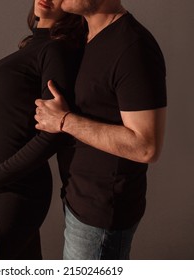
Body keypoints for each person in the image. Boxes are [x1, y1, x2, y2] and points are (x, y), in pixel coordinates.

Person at [35, 0, 167, 259]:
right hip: (78, 200)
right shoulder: (83, 36)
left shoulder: (134, 47)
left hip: (101, 215)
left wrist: (65, 121)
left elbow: (146, 146)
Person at [0, 0, 85, 260]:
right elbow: (25, 99)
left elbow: (55, 133)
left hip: (15, 189)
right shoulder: (34, 45)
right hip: (1, 187)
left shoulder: (55, 50)